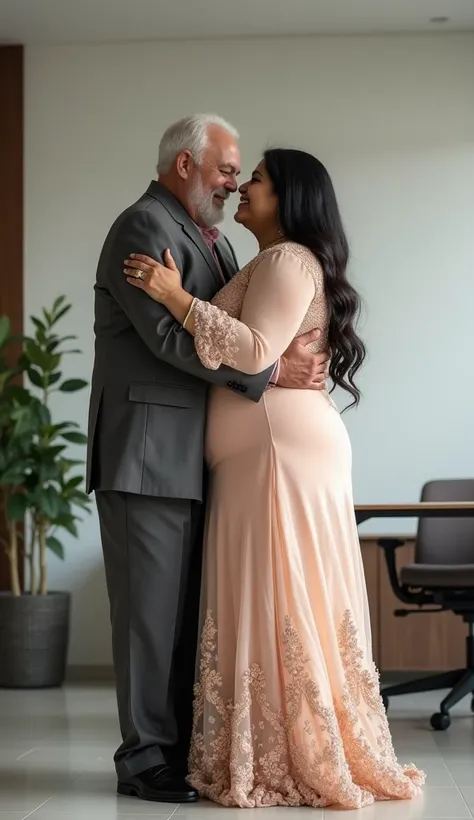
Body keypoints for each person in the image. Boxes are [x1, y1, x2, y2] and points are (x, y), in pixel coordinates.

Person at [124, 148, 426, 810]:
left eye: (255, 178)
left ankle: (291, 749)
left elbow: (256, 351)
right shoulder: (265, 260)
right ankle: (272, 741)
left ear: (289, 197)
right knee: (271, 594)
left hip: (279, 455)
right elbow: (262, 352)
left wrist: (175, 298)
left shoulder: (288, 260)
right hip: (264, 454)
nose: (242, 187)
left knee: (279, 595)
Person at [86, 115, 329, 805]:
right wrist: (271, 373)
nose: (233, 181)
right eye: (227, 168)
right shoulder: (144, 227)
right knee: (149, 620)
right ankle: (143, 762)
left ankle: (182, 750)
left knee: (186, 619)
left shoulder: (213, 241)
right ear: (186, 163)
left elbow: (240, 328)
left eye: (243, 173)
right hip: (146, 453)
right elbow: (168, 335)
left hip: (194, 459)